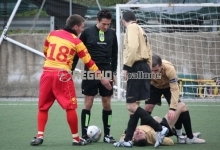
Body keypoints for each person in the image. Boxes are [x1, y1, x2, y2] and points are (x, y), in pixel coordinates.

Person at [30, 14, 112, 146]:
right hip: (62, 75)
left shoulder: (52, 34)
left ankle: (39, 136)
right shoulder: (76, 41)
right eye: (81, 27)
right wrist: (102, 78)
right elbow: (89, 62)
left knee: (43, 107)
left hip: (46, 73)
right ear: (75, 27)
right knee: (70, 107)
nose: (82, 30)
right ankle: (76, 138)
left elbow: (46, 51)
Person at [113, 11, 168, 148]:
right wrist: (147, 69)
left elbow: (132, 47)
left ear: (122, 21)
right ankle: (127, 139)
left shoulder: (131, 28)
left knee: (131, 106)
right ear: (136, 19)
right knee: (134, 108)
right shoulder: (141, 29)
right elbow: (149, 51)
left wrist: (126, 67)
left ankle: (160, 129)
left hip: (136, 67)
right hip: (143, 67)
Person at [71, 9, 118, 143]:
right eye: (104, 24)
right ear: (97, 21)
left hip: (107, 71)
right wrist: (71, 70)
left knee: (107, 103)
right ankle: (85, 135)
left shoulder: (112, 34)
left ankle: (107, 135)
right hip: (90, 71)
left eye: (108, 24)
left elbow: (115, 55)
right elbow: (77, 53)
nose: (106, 27)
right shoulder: (86, 33)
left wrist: (113, 72)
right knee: (88, 102)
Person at [144, 54, 205, 144]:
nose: (154, 73)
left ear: (161, 66)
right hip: (154, 86)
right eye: (152, 71)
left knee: (179, 107)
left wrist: (172, 108)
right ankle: (143, 132)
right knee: (147, 107)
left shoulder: (169, 69)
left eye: (156, 70)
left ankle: (188, 137)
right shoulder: (146, 69)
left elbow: (175, 89)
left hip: (168, 87)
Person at [119, 101, 205, 147]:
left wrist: (131, 135)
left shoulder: (130, 137)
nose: (138, 131)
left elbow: (122, 138)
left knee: (153, 115)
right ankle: (189, 137)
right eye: (140, 133)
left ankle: (182, 135)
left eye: (137, 133)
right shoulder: (153, 137)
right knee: (181, 105)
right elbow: (170, 142)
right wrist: (155, 139)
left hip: (151, 123)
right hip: (162, 127)